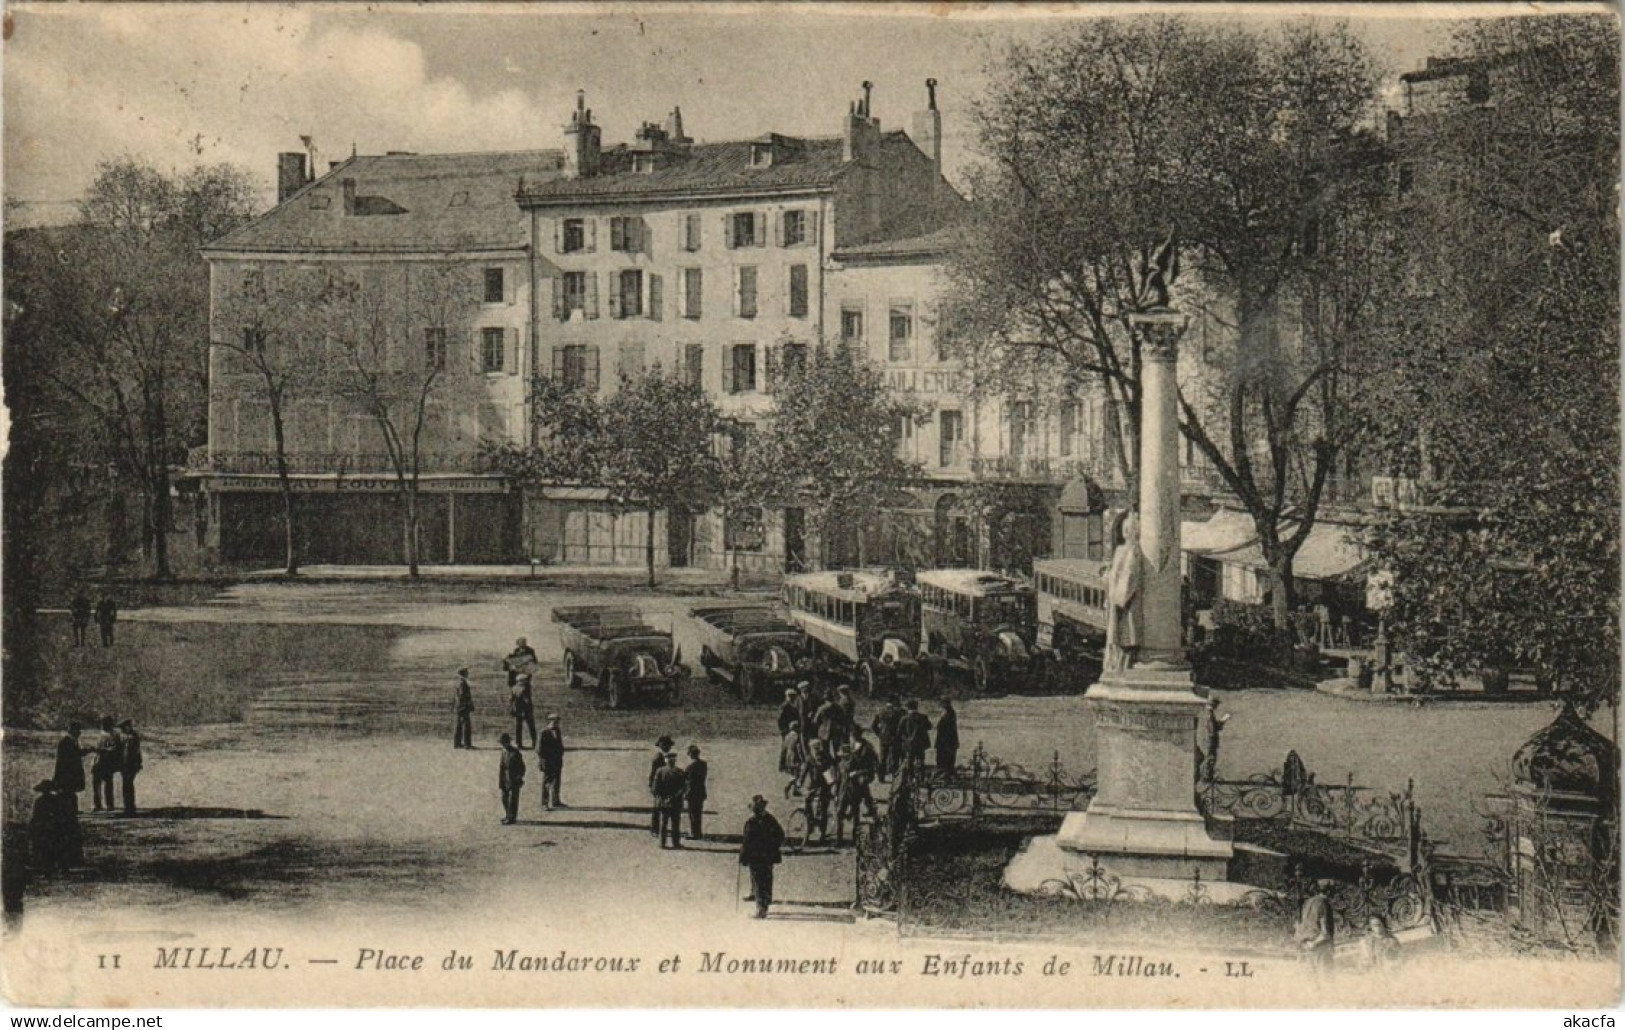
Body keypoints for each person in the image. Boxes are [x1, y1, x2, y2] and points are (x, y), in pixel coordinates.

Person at [1103, 512, 1143, 673]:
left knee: (1126, 638)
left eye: (1130, 529)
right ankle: (1116, 668)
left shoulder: (1134, 551)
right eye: (1125, 529)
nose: (1127, 532)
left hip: (1125, 604)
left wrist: (1120, 600)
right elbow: (1116, 574)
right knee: (1117, 638)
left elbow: (1130, 576)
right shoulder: (1121, 550)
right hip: (1117, 600)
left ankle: (1122, 669)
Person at [739, 795, 786, 919]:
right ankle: (766, 901)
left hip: (756, 857)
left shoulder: (751, 823)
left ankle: (761, 910)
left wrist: (742, 857)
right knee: (767, 878)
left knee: (759, 881)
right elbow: (780, 835)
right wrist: (773, 847)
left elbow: (746, 842)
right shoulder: (770, 819)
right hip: (768, 856)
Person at [29, 781, 81, 873]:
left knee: (47, 845)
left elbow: (36, 817)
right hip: (54, 827)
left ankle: (48, 864)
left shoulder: (40, 801)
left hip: (46, 827)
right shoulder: (56, 800)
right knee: (58, 844)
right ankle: (60, 864)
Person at [1295, 879, 1336, 970]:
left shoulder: (1308, 902)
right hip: (1320, 947)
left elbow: (1298, 924)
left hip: (1306, 946)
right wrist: (1315, 943)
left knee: (1311, 980)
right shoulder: (1324, 904)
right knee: (1327, 979)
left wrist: (1304, 943)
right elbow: (1325, 932)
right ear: (1329, 892)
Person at [652, 752, 687, 849]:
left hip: (663, 802)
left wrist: (662, 798)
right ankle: (675, 843)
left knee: (663, 823)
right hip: (675, 802)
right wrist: (674, 797)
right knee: (675, 823)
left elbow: (655, 788)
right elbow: (683, 788)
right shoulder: (680, 772)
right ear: (674, 760)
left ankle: (662, 843)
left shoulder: (660, 771)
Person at [90, 717, 123, 812]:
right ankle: (97, 805)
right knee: (96, 784)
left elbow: (115, 749)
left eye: (104, 723)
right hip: (98, 762)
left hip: (107, 763)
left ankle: (109, 804)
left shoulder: (114, 735)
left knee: (108, 784)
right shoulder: (101, 734)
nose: (102, 725)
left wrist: (101, 750)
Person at [53, 722, 88, 810]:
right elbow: (70, 756)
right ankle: (69, 811)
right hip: (67, 772)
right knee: (67, 791)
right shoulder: (65, 742)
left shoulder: (72, 741)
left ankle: (72, 810)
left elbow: (76, 753)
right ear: (73, 731)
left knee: (70, 791)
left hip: (71, 772)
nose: (80, 733)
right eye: (78, 730)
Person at [871, 696, 903, 782]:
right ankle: (895, 777)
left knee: (882, 758)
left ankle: (881, 777)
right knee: (894, 758)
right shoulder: (898, 713)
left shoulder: (881, 712)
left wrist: (879, 734)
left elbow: (873, 726)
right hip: (895, 738)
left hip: (883, 738)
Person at [537, 715, 565, 810]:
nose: (556, 723)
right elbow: (539, 749)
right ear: (550, 721)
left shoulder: (557, 731)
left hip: (557, 761)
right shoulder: (543, 732)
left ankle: (555, 801)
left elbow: (560, 745)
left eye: (558, 721)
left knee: (557, 781)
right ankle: (544, 803)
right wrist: (544, 760)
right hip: (548, 762)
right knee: (547, 783)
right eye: (555, 721)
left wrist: (560, 754)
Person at [649, 736, 675, 836]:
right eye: (665, 745)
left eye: (668, 745)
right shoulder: (658, 758)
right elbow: (653, 773)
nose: (668, 747)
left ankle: (659, 829)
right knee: (657, 807)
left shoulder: (668, 757)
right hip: (659, 785)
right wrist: (652, 786)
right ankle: (655, 829)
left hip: (667, 785)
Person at [898, 700, 933, 773]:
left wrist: (905, 739)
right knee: (921, 760)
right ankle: (920, 777)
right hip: (921, 743)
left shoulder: (904, 718)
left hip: (909, 744)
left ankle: (910, 778)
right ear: (916, 707)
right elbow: (929, 727)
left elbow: (899, 732)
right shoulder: (923, 717)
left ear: (908, 708)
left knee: (910, 761)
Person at [498, 733, 525, 825]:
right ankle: (507, 815)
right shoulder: (503, 751)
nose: (503, 745)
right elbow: (502, 766)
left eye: (504, 743)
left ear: (508, 742)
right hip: (505, 778)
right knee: (504, 798)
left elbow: (522, 767)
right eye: (502, 743)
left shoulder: (516, 753)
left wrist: (519, 777)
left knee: (512, 800)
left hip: (513, 779)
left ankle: (512, 818)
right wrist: (501, 780)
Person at [117, 719, 142, 815]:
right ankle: (129, 806)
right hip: (125, 764)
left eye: (123, 727)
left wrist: (138, 762)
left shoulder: (132, 736)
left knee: (128, 785)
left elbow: (137, 751)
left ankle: (129, 807)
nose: (122, 729)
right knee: (127, 785)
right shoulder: (124, 736)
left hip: (130, 764)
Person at [684, 745, 709, 841]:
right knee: (698, 813)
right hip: (701, 791)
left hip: (692, 792)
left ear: (691, 754)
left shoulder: (691, 766)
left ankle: (694, 833)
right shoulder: (703, 764)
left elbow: (685, 778)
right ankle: (698, 832)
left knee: (692, 813)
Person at [510, 674, 537, 749]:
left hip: (518, 710)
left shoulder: (514, 688)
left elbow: (511, 700)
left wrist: (512, 709)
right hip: (526, 709)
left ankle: (518, 743)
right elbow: (527, 700)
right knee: (531, 726)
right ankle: (534, 742)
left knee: (518, 727)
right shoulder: (525, 688)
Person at [934, 698, 960, 772]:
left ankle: (945, 774)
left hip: (946, 741)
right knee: (947, 760)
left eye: (941, 703)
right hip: (948, 741)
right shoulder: (949, 712)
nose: (940, 705)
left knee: (945, 760)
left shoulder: (948, 713)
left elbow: (942, 726)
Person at [780, 719, 803, 796]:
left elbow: (783, 748)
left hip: (788, 756)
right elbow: (798, 748)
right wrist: (802, 757)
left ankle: (795, 790)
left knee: (793, 773)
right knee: (797, 774)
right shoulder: (797, 736)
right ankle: (787, 787)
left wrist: (782, 760)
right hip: (795, 756)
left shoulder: (787, 736)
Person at [453, 668, 474, 749]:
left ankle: (457, 743)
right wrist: (468, 705)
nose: (468, 674)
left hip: (458, 707)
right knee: (466, 725)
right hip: (463, 707)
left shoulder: (458, 683)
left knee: (458, 725)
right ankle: (467, 744)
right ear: (464, 674)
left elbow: (457, 696)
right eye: (467, 673)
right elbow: (463, 696)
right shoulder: (463, 683)